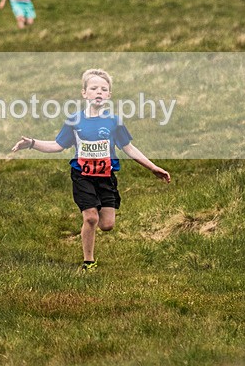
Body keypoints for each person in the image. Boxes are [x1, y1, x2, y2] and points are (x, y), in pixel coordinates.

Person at [12, 69, 171, 272]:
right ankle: (89, 262)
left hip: (106, 177)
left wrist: (153, 168)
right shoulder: (74, 120)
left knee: (107, 224)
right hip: (82, 176)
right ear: (84, 93)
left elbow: (129, 148)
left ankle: (93, 237)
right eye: (94, 88)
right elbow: (58, 145)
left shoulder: (114, 122)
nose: (99, 92)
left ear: (109, 95)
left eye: (104, 89)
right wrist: (32, 143)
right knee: (91, 218)